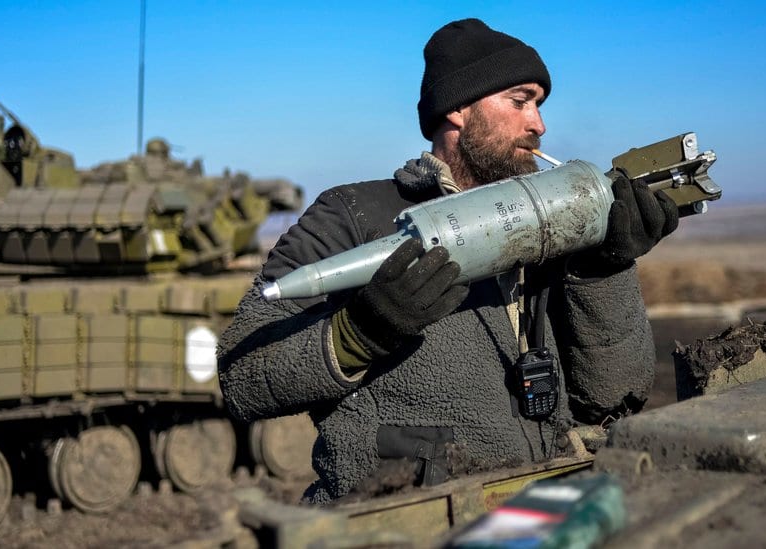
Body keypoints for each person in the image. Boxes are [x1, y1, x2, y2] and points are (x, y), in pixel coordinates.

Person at [218, 18, 678, 504]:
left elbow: (611, 400)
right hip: (402, 526)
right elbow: (242, 374)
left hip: (536, 517)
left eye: (540, 106)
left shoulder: (555, 228)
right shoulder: (354, 216)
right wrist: (361, 332)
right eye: (520, 101)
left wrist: (605, 270)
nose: (538, 125)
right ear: (458, 109)